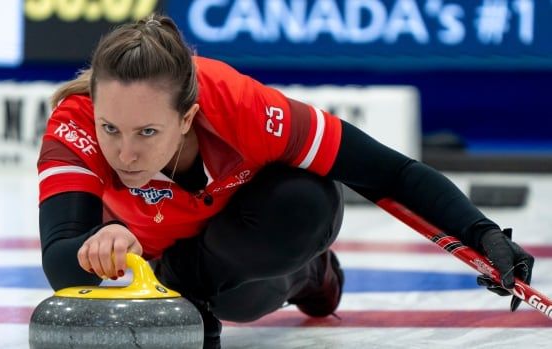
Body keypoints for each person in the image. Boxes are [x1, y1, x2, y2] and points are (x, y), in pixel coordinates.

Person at [37, 14, 534, 349]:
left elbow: (389, 172)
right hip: (180, 266)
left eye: (148, 131)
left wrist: (481, 233)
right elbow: (62, 263)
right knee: (238, 303)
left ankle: (312, 274)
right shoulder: (73, 122)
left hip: (234, 244)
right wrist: (95, 247)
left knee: (305, 202)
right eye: (111, 128)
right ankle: (199, 289)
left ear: (188, 118)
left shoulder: (244, 108)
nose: (125, 153)